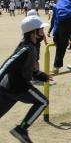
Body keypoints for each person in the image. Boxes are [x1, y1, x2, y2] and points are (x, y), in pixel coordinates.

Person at [0, 15, 51, 143]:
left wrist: (39, 75)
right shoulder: (25, 48)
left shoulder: (32, 47)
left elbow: (26, 68)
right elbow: (8, 64)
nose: (42, 33)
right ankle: (21, 130)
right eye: (41, 30)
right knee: (43, 102)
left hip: (8, 88)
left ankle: (21, 130)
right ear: (33, 32)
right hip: (17, 87)